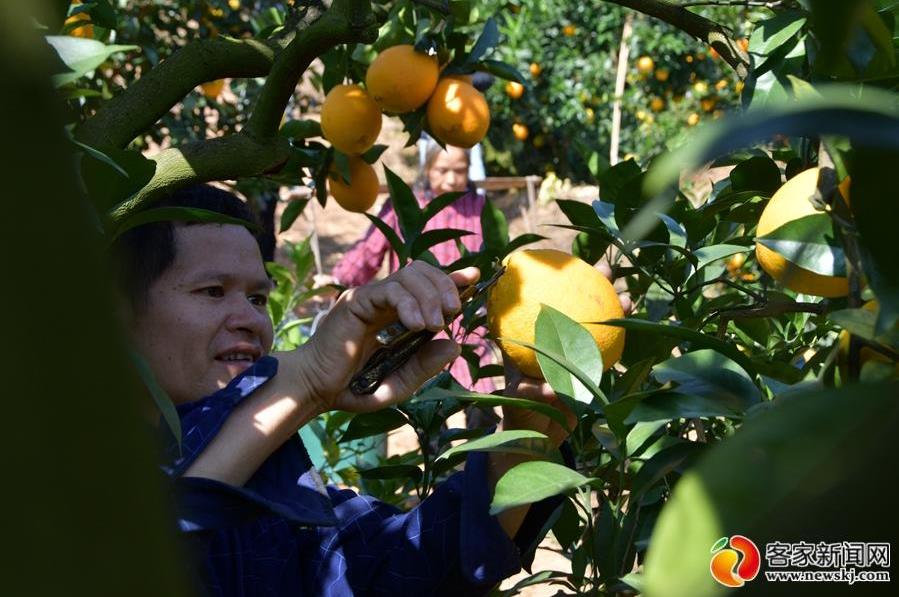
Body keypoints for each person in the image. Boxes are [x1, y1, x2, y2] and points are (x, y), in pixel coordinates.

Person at [111, 185, 573, 596]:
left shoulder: (275, 491)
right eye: (213, 291)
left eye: (256, 298)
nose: (251, 320)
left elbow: (394, 568)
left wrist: (523, 447)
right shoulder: (72, 484)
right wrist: (307, 382)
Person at [332, 142, 495, 395]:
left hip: (464, 323)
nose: (451, 180)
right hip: (414, 320)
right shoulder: (404, 208)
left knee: (478, 396)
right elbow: (369, 250)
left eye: (460, 171)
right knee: (424, 399)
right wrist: (338, 279)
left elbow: (493, 255)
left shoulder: (480, 208)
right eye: (442, 170)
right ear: (427, 169)